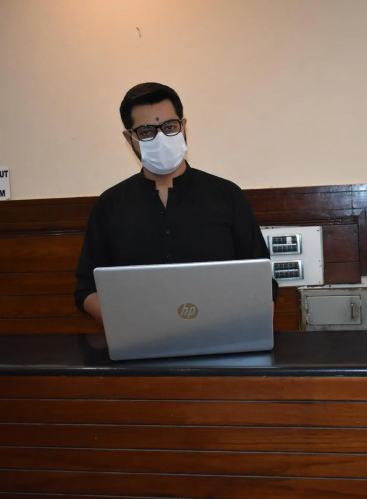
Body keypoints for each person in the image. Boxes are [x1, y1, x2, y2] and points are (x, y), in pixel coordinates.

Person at [75, 82, 276, 324]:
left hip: (222, 338)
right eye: (147, 132)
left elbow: (262, 282)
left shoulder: (227, 195)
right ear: (129, 138)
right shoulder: (109, 206)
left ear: (184, 126)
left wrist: (247, 330)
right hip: (141, 342)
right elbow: (87, 290)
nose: (161, 138)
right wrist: (129, 326)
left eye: (170, 127)